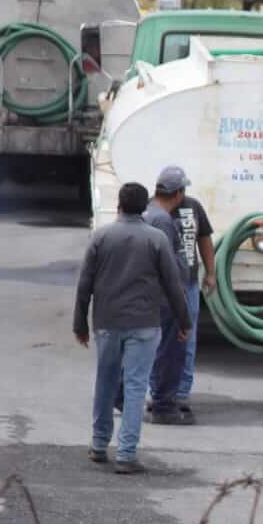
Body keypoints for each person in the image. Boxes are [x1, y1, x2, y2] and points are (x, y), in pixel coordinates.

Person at [74, 181, 191, 474]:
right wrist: (184, 321)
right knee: (137, 385)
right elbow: (173, 284)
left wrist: (80, 323)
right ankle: (127, 454)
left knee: (106, 381)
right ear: (144, 207)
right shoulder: (156, 239)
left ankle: (99, 445)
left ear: (119, 205)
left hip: (107, 323)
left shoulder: (101, 237)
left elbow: (85, 283)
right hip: (144, 324)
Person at [141, 167, 198, 426]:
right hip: (167, 298)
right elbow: (170, 268)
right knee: (170, 352)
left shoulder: (150, 214)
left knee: (156, 350)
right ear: (178, 193)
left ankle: (155, 399)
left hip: (153, 296)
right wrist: (182, 309)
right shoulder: (163, 220)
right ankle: (165, 406)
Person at [169, 173, 216, 422]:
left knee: (188, 339)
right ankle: (161, 392)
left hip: (188, 284)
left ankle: (182, 393)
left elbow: (204, 239)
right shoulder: (155, 212)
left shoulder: (193, 206)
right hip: (164, 288)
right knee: (163, 340)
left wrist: (211, 273)